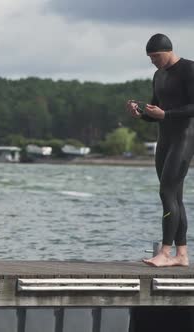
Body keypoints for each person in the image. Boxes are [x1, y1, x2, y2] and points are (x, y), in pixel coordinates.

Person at [125, 33, 194, 267]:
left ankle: (165, 253)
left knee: (166, 193)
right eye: (150, 58)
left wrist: (165, 115)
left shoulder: (189, 69)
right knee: (174, 196)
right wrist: (141, 114)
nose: (153, 61)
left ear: (168, 50)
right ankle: (182, 255)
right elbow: (157, 111)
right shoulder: (158, 75)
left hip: (184, 138)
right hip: (164, 140)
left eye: (155, 56)